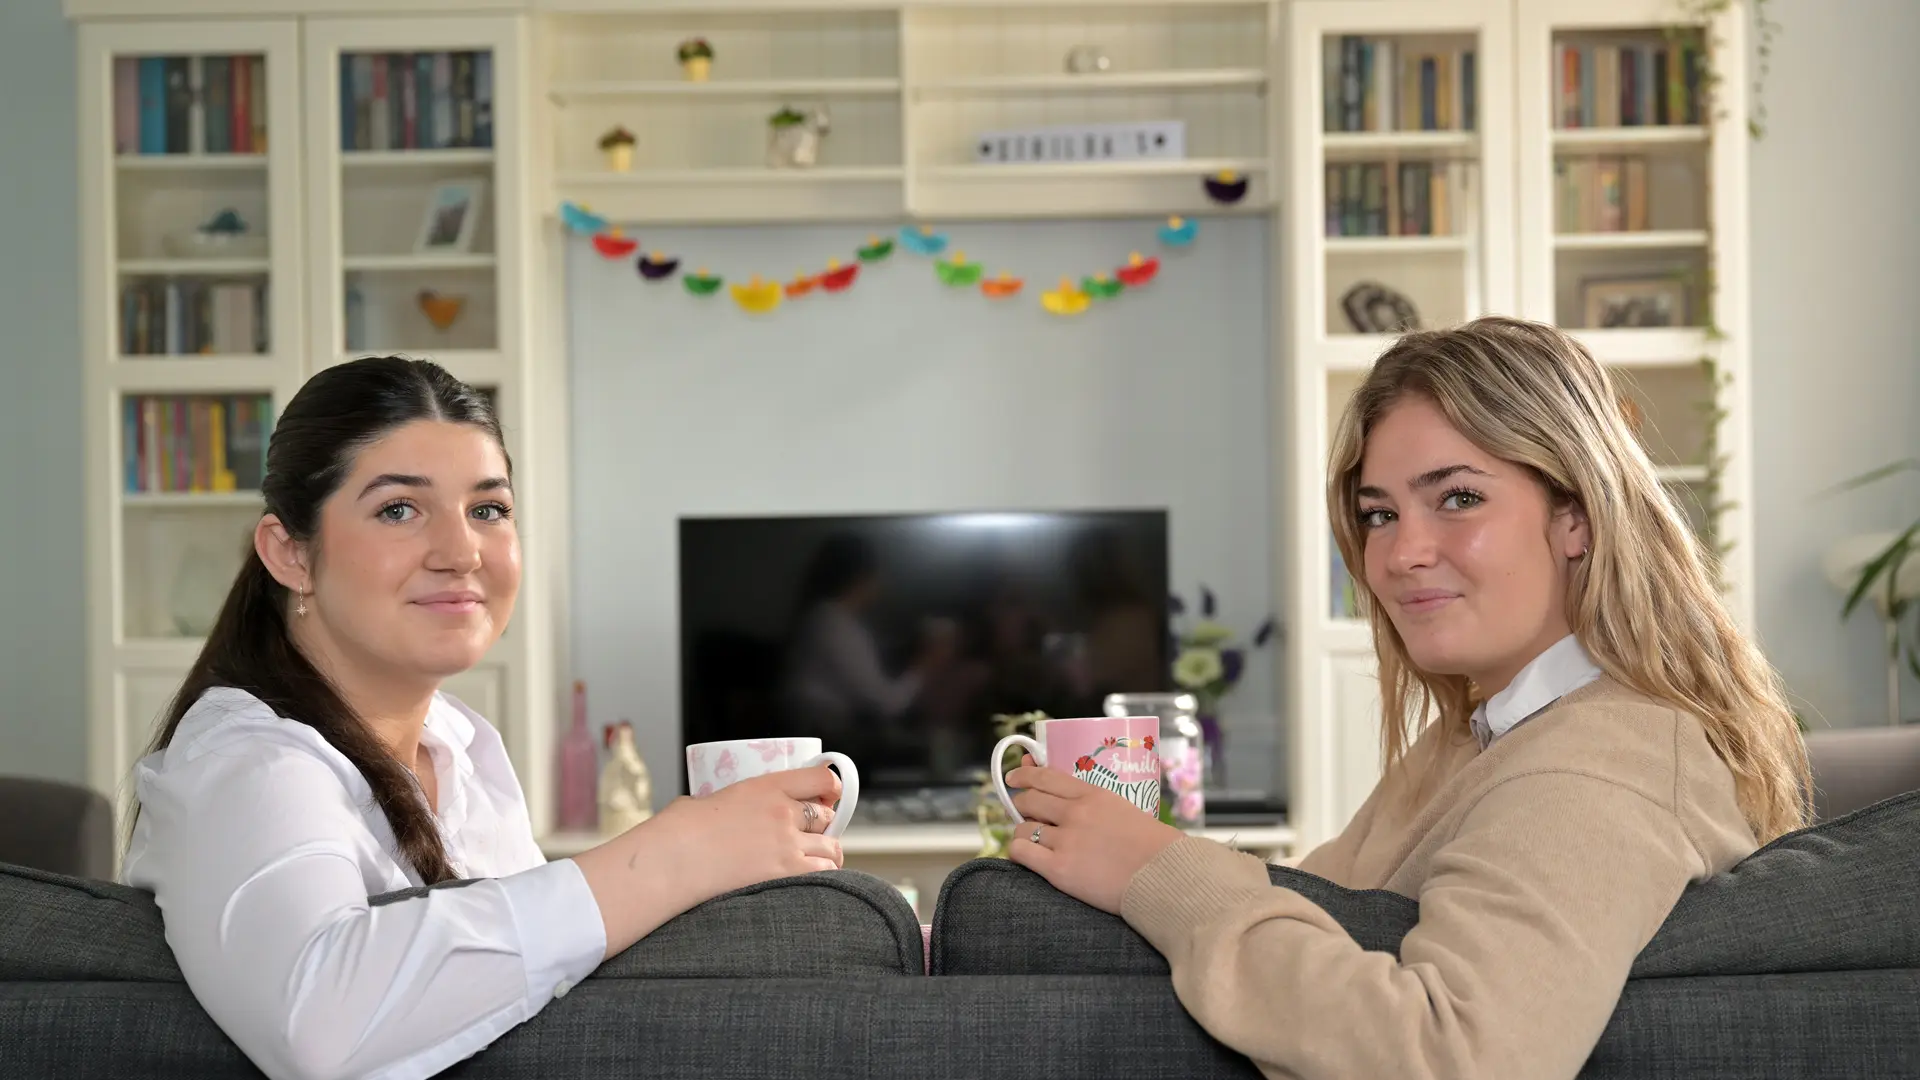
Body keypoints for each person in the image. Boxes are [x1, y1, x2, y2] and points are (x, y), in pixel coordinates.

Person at [998, 316, 1810, 1080]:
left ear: (1577, 517)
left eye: (1457, 498)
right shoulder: (1481, 737)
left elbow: (1456, 1053)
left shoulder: (1602, 761)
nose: (1401, 552)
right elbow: (1311, 902)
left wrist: (1156, 870)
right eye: (1378, 514)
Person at [122, 357, 846, 1080]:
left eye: (488, 510)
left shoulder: (462, 745)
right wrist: (677, 850)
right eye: (398, 509)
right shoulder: (246, 760)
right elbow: (320, 1025)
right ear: (290, 553)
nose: (461, 551)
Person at [780, 532, 953, 744]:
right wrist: (926, 662)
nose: (882, 583)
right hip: (822, 736)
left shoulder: (834, 621)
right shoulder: (833, 625)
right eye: (878, 574)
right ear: (861, 577)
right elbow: (886, 704)